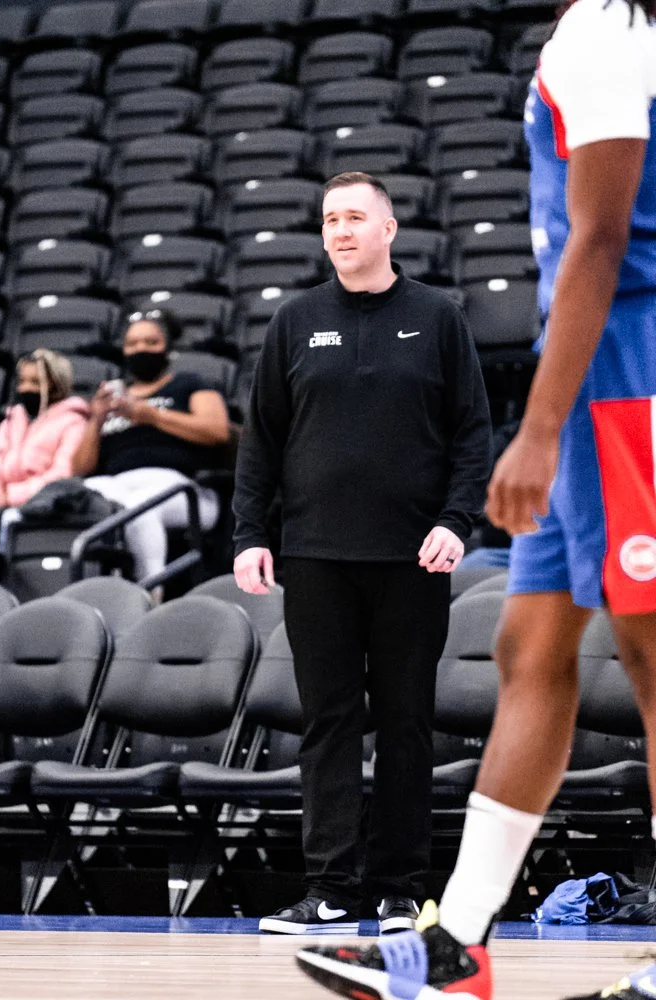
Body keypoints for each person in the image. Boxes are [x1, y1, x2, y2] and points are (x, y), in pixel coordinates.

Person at [296, 0, 656, 997]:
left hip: (623, 372)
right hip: (592, 372)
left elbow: (600, 239)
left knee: (649, 658)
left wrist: (535, 429)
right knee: (528, 650)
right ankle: (452, 947)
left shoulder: (608, 29)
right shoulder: (598, 29)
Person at [233, 171, 493, 935]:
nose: (340, 231)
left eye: (354, 217)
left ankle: (398, 888)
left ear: (388, 228)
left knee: (408, 722)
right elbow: (262, 441)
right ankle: (330, 888)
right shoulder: (295, 320)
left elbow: (472, 433)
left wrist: (457, 520)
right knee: (329, 722)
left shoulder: (437, 317)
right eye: (329, 220)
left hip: (415, 556)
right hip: (316, 556)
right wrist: (250, 535)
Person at [71, 309, 230, 584]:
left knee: (136, 508)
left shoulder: (189, 383)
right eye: (132, 343)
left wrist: (151, 416)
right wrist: (95, 420)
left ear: (167, 348)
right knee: (79, 500)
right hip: (116, 484)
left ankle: (150, 591)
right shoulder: (112, 401)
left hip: (180, 488)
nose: (141, 349)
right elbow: (79, 469)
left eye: (151, 342)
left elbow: (218, 432)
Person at [0, 348, 90, 509]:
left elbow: (63, 474)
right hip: (0, 505)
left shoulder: (74, 423)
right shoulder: (12, 420)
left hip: (45, 508)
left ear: (56, 385)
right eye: (22, 381)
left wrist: (11, 496)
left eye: (35, 382)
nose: (25, 389)